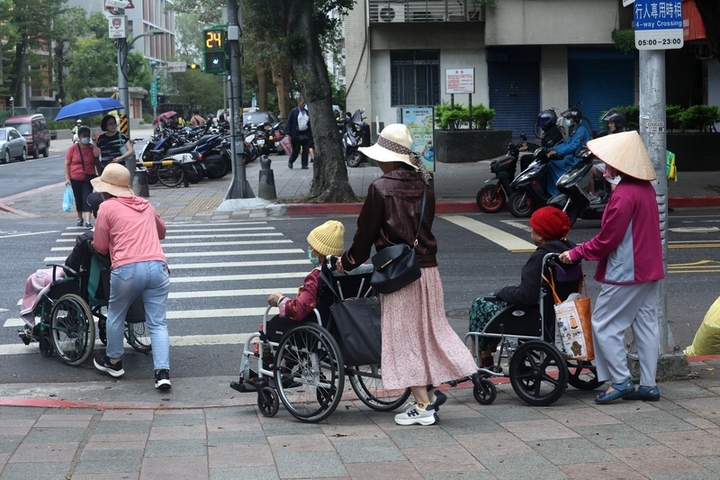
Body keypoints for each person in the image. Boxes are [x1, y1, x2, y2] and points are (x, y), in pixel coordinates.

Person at [336, 124, 479, 426]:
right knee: (431, 330)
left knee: (403, 338)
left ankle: (423, 405)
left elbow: (364, 239)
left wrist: (345, 263)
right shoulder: (426, 183)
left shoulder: (380, 188)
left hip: (398, 274)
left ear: (387, 158)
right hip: (427, 269)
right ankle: (433, 386)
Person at [558, 130, 663, 404]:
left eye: (608, 162)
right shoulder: (645, 189)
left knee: (604, 324)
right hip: (649, 268)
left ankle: (621, 380)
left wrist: (576, 252)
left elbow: (607, 240)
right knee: (646, 324)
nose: (605, 167)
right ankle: (649, 385)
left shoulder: (623, 195)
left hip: (627, 270)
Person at [231, 220, 345, 393]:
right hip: (334, 326)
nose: (309, 249)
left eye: (311, 247)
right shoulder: (340, 274)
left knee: (272, 326)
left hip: (313, 329)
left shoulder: (316, 277)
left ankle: (271, 371)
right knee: (284, 326)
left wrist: (279, 300)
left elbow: (299, 309)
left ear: (320, 252)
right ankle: (286, 369)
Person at [90, 164, 172, 390]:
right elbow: (162, 232)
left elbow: (100, 246)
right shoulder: (145, 205)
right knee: (158, 323)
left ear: (107, 190)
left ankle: (114, 362)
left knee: (116, 313)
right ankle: (162, 373)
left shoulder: (106, 208)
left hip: (126, 269)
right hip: (157, 267)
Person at [469, 207, 580, 368]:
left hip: (536, 317)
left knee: (480, 304)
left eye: (532, 230)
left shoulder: (541, 258)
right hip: (560, 314)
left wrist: (503, 291)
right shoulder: (569, 253)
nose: (531, 233)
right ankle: (485, 357)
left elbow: (527, 296)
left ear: (541, 236)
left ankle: (483, 358)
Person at [546, 109, 591, 196]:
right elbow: (566, 144)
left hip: (577, 162)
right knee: (550, 164)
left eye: (568, 118)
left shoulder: (582, 130)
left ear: (575, 119)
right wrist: (551, 149)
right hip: (570, 160)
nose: (566, 121)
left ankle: (558, 193)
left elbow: (574, 146)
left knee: (551, 165)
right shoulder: (574, 131)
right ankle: (554, 191)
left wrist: (557, 152)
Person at [65, 126, 101, 228]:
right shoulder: (72, 149)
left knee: (87, 197)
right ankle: (79, 218)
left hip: (89, 177)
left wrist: (95, 142)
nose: (86, 137)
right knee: (78, 198)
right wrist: (67, 178)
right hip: (75, 178)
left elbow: (97, 159)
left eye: (87, 135)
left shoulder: (91, 148)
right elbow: (67, 163)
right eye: (84, 135)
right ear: (79, 137)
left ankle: (88, 221)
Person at [588, 110, 627, 200]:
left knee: (615, 192)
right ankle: (593, 196)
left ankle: (616, 203)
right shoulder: (613, 134)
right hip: (609, 166)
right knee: (588, 169)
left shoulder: (623, 136)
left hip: (618, 169)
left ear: (618, 123)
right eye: (609, 123)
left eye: (611, 123)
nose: (609, 125)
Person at [285, 97, 312, 169]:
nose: (304, 104)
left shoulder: (306, 112)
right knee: (296, 150)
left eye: (304, 103)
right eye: (303, 102)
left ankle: (304, 164)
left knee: (305, 149)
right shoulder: (294, 112)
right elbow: (289, 122)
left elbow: (309, 123)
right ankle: (291, 160)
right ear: (299, 103)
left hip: (305, 133)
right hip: (296, 134)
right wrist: (288, 133)